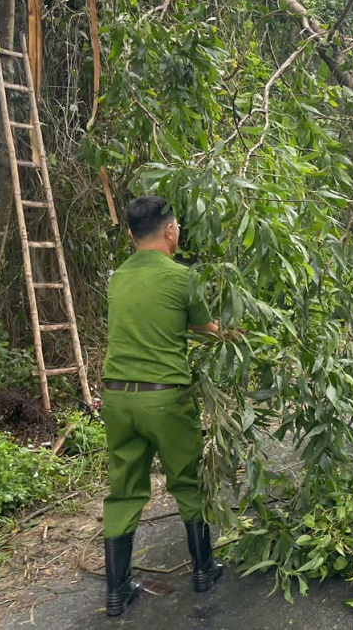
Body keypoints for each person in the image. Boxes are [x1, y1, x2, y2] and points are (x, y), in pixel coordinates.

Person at [100, 196, 225, 617]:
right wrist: (238, 335)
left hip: (117, 398)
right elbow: (207, 330)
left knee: (124, 491)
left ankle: (117, 592)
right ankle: (203, 570)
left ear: (132, 234)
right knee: (188, 480)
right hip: (164, 397)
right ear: (170, 230)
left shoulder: (117, 278)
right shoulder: (181, 278)